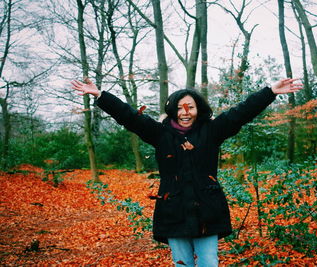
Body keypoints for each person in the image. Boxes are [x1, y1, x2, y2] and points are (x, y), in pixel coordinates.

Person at [71, 78, 302, 266]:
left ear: (197, 109)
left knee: (209, 263)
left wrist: (270, 92)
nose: (185, 112)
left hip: (208, 210)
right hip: (174, 211)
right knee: (182, 264)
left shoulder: (212, 131)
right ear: (172, 110)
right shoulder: (160, 134)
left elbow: (240, 113)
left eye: (190, 107)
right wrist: (101, 95)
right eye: (180, 107)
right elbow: (129, 116)